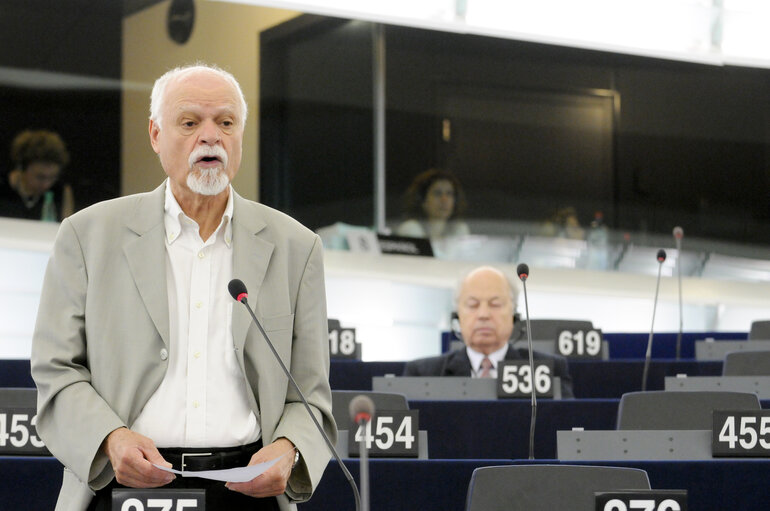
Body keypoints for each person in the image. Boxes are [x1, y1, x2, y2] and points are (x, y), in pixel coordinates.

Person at [30, 64, 334, 511]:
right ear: (155, 135)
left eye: (226, 123)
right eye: (190, 123)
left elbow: (310, 393)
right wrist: (109, 439)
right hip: (122, 486)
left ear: (241, 137)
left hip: (245, 493)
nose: (210, 136)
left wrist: (290, 449)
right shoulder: (87, 235)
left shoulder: (297, 247)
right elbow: (57, 370)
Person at [403, 265, 574, 398]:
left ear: (514, 314)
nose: (483, 314)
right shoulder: (423, 374)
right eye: (472, 305)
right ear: (457, 315)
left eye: (495, 304)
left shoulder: (547, 370)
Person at [0, 129, 75, 220]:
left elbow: (66, 231)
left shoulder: (62, 191)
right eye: (40, 177)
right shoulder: (3, 185)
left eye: (53, 177)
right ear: (21, 168)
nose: (46, 184)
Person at [395, 168, 470, 239]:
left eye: (449, 194)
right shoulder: (410, 229)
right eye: (437, 193)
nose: (444, 199)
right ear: (422, 201)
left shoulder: (459, 230)